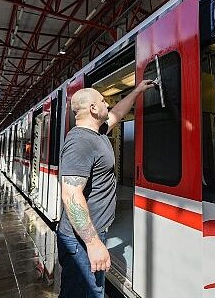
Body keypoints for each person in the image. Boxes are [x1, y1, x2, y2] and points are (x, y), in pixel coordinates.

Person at [57, 79, 154, 298]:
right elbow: (71, 194)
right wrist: (93, 244)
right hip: (80, 242)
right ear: (92, 108)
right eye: (103, 101)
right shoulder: (80, 142)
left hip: (89, 235)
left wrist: (137, 91)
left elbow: (117, 114)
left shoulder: (97, 132)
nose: (107, 104)